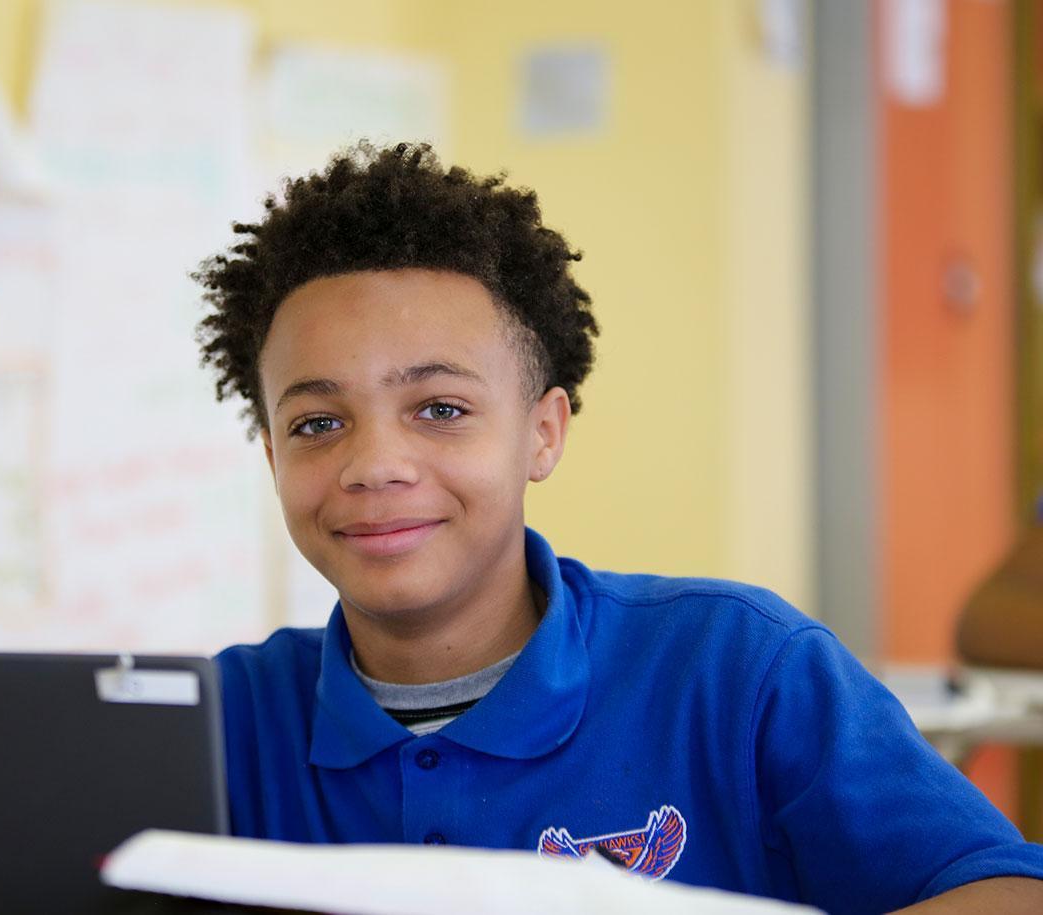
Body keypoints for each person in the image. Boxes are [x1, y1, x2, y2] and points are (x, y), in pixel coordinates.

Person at [197, 142, 1043, 913]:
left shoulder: (737, 669)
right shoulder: (217, 723)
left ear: (543, 433)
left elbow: (1005, 892)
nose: (373, 464)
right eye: (316, 424)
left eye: (441, 408)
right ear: (272, 455)